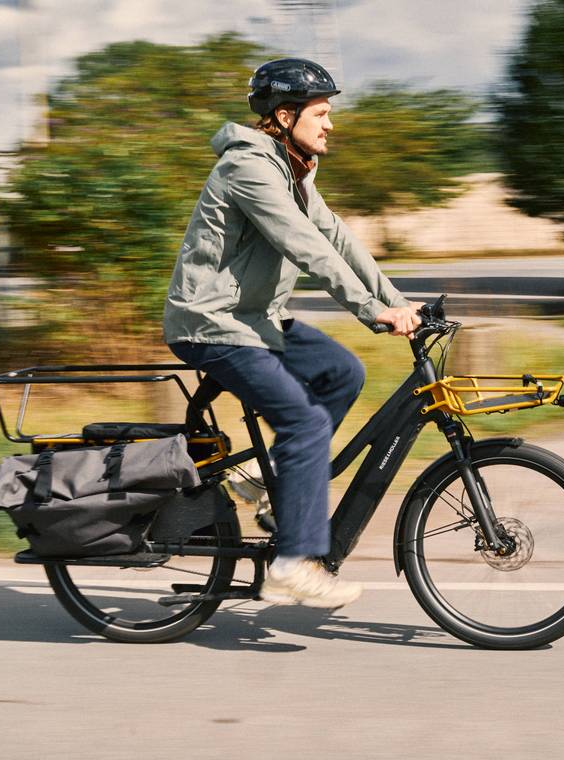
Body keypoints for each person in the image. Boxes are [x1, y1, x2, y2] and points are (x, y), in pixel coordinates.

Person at [163, 58, 421, 608]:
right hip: (213, 324)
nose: (330, 125)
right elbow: (305, 246)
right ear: (285, 115)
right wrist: (368, 310)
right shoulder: (250, 169)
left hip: (255, 320)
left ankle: (263, 476)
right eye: (321, 114)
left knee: (341, 371)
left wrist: (397, 302)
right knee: (303, 421)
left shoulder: (293, 169)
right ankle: (291, 563)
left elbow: (340, 238)